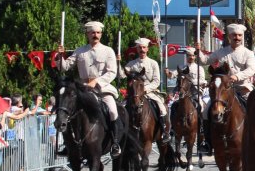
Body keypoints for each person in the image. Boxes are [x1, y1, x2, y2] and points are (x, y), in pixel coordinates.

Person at [55, 21, 122, 158]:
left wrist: (96, 81)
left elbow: (112, 72)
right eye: (92, 33)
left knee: (113, 111)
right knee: (68, 111)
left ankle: (114, 142)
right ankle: (68, 144)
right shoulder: (80, 51)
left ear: (101, 34)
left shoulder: (108, 51)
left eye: (97, 33)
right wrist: (59, 56)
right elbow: (65, 67)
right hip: (83, 89)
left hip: (102, 88)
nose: (95, 35)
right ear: (87, 34)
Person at [119, 37, 171, 143]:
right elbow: (121, 76)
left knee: (162, 108)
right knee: (121, 108)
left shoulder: (153, 63)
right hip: (134, 93)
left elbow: (156, 81)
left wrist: (145, 89)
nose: (142, 50)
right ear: (137, 49)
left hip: (150, 91)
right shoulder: (131, 64)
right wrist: (118, 63)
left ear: (147, 49)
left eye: (144, 47)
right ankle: (120, 132)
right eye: (140, 48)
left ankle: (164, 131)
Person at [199, 23, 255, 100]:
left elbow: (251, 70)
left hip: (243, 89)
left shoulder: (249, 53)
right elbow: (204, 61)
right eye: (234, 35)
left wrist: (236, 76)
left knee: (252, 109)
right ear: (229, 36)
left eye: (240, 35)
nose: (237, 38)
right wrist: (198, 50)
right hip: (223, 89)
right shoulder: (220, 52)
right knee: (207, 110)